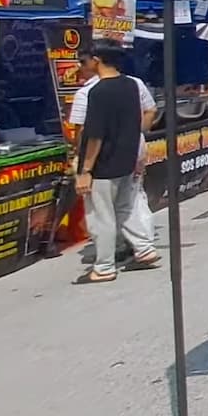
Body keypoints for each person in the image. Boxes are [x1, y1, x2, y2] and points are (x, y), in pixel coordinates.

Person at [73, 43, 160, 284]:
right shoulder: (132, 85)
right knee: (126, 206)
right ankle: (144, 249)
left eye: (86, 60)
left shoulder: (98, 92)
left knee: (102, 215)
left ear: (97, 60)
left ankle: (104, 267)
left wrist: (86, 169)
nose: (84, 65)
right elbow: (145, 116)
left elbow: (94, 135)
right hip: (127, 156)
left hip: (104, 163)